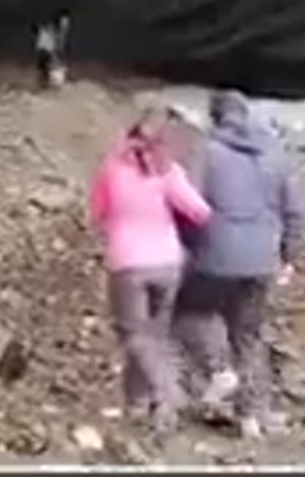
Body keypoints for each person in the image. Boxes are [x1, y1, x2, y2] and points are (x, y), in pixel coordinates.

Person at [174, 90, 305, 440]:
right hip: (263, 260)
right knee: (249, 335)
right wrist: (289, 256)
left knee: (190, 314)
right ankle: (252, 416)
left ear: (215, 117)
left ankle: (220, 372)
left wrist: (188, 245)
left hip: (215, 258)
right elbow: (296, 211)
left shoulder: (207, 152)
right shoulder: (275, 154)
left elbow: (190, 207)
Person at [88, 106, 212, 434]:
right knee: (152, 337)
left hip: (128, 264)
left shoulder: (112, 170)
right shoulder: (167, 171)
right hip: (168, 264)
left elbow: (99, 212)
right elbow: (200, 212)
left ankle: (169, 390)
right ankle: (139, 407)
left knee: (134, 337)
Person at [34, 14, 70, 89]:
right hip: (46, 52)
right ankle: (46, 82)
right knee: (47, 67)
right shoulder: (51, 30)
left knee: (50, 67)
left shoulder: (57, 31)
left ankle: (47, 82)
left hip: (48, 51)